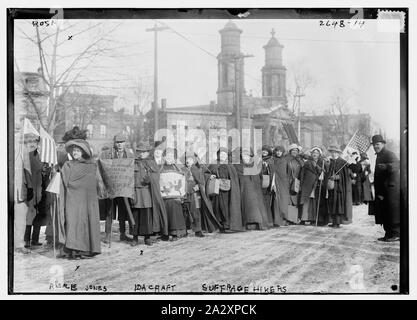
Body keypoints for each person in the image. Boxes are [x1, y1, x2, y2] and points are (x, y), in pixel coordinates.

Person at [58, 139, 101, 259]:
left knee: (85, 223)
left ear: (83, 152)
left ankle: (85, 250)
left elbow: (95, 183)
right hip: (72, 200)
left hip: (87, 201)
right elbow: (65, 181)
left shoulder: (91, 166)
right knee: (73, 223)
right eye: (73, 151)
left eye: (77, 150)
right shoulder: (68, 165)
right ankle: (73, 250)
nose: (75, 153)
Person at [130, 142, 168, 246]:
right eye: (139, 152)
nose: (141, 154)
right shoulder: (133, 163)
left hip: (147, 193)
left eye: (143, 152)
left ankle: (147, 238)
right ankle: (135, 238)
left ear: (147, 152)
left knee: (147, 215)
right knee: (135, 215)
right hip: (136, 192)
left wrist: (150, 178)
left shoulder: (152, 163)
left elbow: (156, 176)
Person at [100, 134, 135, 244]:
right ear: (114, 143)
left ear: (125, 143)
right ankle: (107, 235)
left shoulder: (129, 154)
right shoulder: (107, 154)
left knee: (123, 211)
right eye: (118, 143)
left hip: (123, 186)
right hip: (111, 186)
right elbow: (102, 166)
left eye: (122, 142)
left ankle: (123, 234)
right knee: (109, 211)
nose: (120, 145)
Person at [181, 151, 221, 237]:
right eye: (187, 159)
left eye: (191, 159)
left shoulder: (196, 169)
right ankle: (184, 230)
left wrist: (209, 177)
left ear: (194, 160)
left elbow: (202, 178)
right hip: (184, 193)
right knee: (184, 212)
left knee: (196, 212)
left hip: (194, 194)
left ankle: (197, 230)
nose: (188, 161)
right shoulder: (182, 169)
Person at [371, 135, 400, 242]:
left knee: (392, 212)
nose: (375, 147)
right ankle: (388, 234)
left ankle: (396, 234)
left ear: (383, 144)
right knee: (384, 211)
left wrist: (387, 166)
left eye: (377, 144)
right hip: (383, 189)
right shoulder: (379, 155)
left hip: (390, 189)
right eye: (374, 145)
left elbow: (397, 164)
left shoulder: (389, 154)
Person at [24, 138, 52, 248]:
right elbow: (26, 172)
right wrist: (29, 187)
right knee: (30, 214)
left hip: (43, 190)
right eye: (37, 143)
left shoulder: (47, 157)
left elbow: (47, 174)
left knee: (40, 215)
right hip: (33, 189)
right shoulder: (29, 155)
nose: (39, 146)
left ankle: (35, 239)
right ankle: (26, 240)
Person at [207, 147, 243, 232]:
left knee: (227, 207)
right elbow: (207, 173)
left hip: (228, 190)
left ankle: (228, 224)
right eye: (221, 154)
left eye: (224, 154)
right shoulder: (214, 164)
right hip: (217, 190)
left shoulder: (230, 165)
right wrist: (210, 176)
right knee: (218, 207)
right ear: (218, 155)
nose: (223, 156)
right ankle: (220, 225)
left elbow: (234, 177)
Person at [234, 148, 269, 230]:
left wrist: (263, 166)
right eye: (243, 155)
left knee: (257, 207)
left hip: (256, 190)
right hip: (245, 189)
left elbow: (260, 175)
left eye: (247, 155)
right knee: (248, 207)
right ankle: (249, 224)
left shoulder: (255, 164)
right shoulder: (238, 165)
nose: (245, 157)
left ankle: (259, 223)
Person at [161, 147, 187, 241]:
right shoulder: (160, 169)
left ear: (174, 158)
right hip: (164, 197)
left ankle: (176, 233)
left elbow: (183, 181)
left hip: (175, 197)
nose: (169, 158)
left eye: (171, 156)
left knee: (175, 215)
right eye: (167, 156)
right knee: (164, 214)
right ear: (163, 157)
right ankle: (165, 233)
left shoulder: (178, 169)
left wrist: (182, 194)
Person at [298, 147, 327, 225]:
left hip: (317, 184)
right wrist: (301, 184)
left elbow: (324, 172)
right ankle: (304, 218)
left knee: (314, 202)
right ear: (311, 154)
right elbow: (302, 174)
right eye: (314, 152)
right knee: (305, 201)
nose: (315, 154)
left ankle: (313, 218)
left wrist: (318, 167)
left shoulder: (322, 162)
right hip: (307, 184)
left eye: (317, 153)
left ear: (319, 154)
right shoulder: (307, 163)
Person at [326, 145, 352, 228]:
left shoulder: (342, 162)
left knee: (338, 205)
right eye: (332, 152)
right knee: (332, 204)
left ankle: (337, 222)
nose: (333, 154)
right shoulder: (331, 161)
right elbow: (329, 172)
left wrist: (337, 177)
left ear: (338, 153)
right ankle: (333, 221)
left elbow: (345, 176)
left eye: (335, 152)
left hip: (339, 188)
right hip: (332, 187)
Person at [285, 144, 304, 224]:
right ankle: (289, 219)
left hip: (297, 182)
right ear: (290, 151)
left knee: (296, 200)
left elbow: (303, 170)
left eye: (296, 151)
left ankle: (295, 218)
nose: (295, 152)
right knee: (289, 201)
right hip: (288, 182)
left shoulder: (300, 160)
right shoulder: (286, 160)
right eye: (293, 150)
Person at [271, 146, 289, 226]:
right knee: (276, 200)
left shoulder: (284, 161)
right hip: (274, 181)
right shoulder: (272, 160)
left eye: (280, 151)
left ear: (282, 152)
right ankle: (276, 220)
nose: (278, 153)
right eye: (277, 151)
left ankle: (284, 218)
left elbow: (287, 172)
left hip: (283, 183)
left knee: (283, 201)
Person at [260, 145, 276, 227]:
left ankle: (268, 220)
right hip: (259, 183)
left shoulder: (270, 160)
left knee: (266, 202)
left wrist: (266, 167)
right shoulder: (258, 159)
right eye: (263, 150)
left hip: (267, 183)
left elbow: (272, 172)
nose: (264, 152)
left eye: (266, 151)